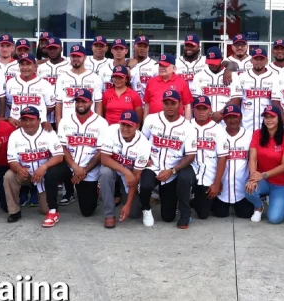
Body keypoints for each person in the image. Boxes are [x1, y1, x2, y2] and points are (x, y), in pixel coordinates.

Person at [48, 89, 109, 220]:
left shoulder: (101, 122)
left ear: (91, 102)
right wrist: (75, 167)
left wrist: (84, 171)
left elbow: (100, 152)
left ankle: (94, 189)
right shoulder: (65, 121)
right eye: (78, 101)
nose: (80, 104)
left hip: (89, 169)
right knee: (52, 173)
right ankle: (52, 209)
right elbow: (62, 147)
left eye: (84, 101)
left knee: (87, 211)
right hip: (70, 165)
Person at [140, 90, 198, 228]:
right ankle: (146, 209)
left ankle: (175, 201)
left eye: (173, 103)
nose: (170, 106)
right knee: (145, 185)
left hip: (172, 170)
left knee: (168, 217)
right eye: (167, 103)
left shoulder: (188, 127)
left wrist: (172, 171)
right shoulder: (151, 119)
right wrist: (145, 157)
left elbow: (190, 156)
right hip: (152, 165)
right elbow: (141, 141)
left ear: (180, 104)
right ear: (162, 104)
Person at [3, 106, 65, 225]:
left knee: (45, 210)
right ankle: (14, 211)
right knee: (9, 176)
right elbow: (12, 160)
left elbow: (59, 156)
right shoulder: (15, 135)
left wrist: (44, 167)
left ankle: (43, 197)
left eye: (31, 119)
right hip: (25, 173)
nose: (28, 123)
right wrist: (18, 168)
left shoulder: (49, 133)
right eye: (24, 120)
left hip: (43, 175)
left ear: (39, 120)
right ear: (20, 121)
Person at [98, 111, 150, 228]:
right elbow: (104, 159)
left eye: (129, 125)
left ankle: (122, 194)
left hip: (131, 176)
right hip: (115, 169)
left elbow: (135, 176)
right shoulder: (112, 130)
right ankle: (109, 214)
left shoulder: (144, 145)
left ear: (137, 126)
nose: (125, 128)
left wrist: (128, 204)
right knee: (105, 172)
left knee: (134, 213)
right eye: (123, 124)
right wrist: (125, 172)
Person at [245, 105, 284, 224]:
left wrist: (263, 175)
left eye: (272, 116)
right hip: (264, 181)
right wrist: (253, 178)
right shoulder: (258, 134)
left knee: (274, 219)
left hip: (282, 183)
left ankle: (282, 200)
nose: (269, 119)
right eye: (266, 117)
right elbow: (252, 157)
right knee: (249, 189)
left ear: (279, 118)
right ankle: (259, 207)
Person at [189, 96, 229, 220]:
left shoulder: (218, 129)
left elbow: (222, 157)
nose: (201, 111)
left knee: (203, 214)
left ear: (209, 110)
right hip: (190, 171)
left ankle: (196, 200)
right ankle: (182, 202)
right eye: (198, 108)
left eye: (204, 108)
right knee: (183, 180)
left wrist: (217, 183)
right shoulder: (186, 125)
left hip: (208, 176)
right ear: (193, 110)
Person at [213, 105, 255, 219]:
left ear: (240, 117)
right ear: (224, 119)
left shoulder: (250, 135)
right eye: (229, 117)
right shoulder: (218, 134)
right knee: (219, 213)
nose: (232, 120)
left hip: (242, 189)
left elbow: (254, 159)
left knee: (245, 214)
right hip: (222, 189)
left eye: (235, 116)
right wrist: (216, 182)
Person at [189, 47, 242, 121]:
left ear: (222, 59)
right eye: (210, 62)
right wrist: (210, 114)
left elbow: (236, 99)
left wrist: (221, 114)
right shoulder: (199, 76)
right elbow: (195, 99)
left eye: (215, 62)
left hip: (226, 118)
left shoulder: (233, 75)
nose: (212, 65)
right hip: (205, 119)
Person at [54, 44, 104, 123]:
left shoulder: (95, 78)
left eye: (79, 56)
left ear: (85, 57)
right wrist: (59, 126)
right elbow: (59, 104)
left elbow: (98, 104)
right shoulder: (62, 78)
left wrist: (99, 124)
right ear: (70, 57)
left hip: (90, 123)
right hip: (68, 122)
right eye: (73, 56)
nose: (76, 59)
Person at [5, 53, 54, 130]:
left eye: (28, 64)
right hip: (16, 124)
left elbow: (50, 106)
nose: (25, 67)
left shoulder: (45, 84)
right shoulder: (11, 82)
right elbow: (9, 103)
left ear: (35, 67)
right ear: (19, 67)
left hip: (38, 126)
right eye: (22, 64)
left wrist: (36, 119)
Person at [238, 48, 279, 132]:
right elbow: (238, 101)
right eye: (256, 59)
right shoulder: (242, 77)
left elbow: (276, 104)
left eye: (261, 59)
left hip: (267, 126)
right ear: (251, 60)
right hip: (246, 126)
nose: (258, 62)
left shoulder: (274, 77)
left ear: (266, 60)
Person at [143, 54, 193, 118]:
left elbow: (187, 106)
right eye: (160, 65)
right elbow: (147, 105)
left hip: (175, 122)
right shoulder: (151, 82)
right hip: (155, 122)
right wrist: (145, 123)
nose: (161, 68)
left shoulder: (182, 82)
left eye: (165, 66)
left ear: (174, 68)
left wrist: (186, 124)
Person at [129, 35, 157, 100]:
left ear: (148, 48)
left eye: (145, 46)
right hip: (130, 104)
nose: (142, 48)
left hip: (149, 104)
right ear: (133, 47)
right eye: (139, 46)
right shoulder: (127, 63)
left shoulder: (155, 65)